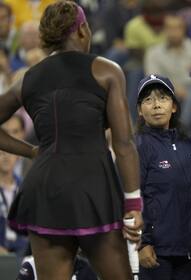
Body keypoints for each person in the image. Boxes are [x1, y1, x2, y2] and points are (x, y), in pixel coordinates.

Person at [0, 1, 142, 279]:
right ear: (81, 31)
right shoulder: (107, 70)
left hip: (43, 190)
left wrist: (30, 152)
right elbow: (124, 144)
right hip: (93, 189)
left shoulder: (27, 79)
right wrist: (133, 204)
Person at [135, 74, 191, 280]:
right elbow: (133, 199)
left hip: (188, 250)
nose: (156, 105)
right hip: (156, 252)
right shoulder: (137, 147)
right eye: (148, 100)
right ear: (139, 110)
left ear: (173, 106)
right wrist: (143, 243)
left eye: (163, 98)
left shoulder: (190, 146)